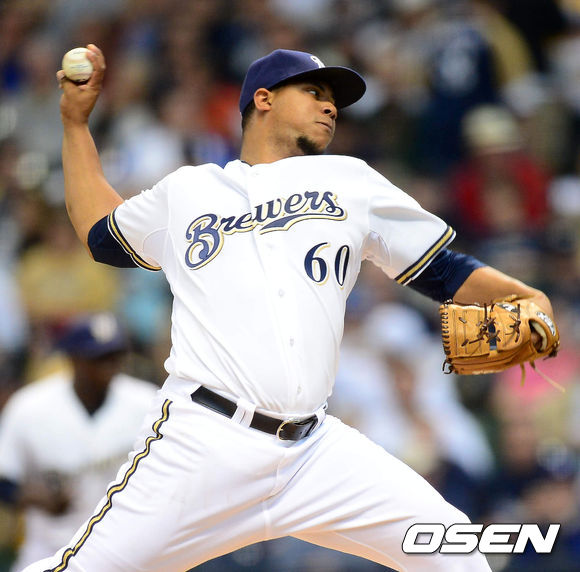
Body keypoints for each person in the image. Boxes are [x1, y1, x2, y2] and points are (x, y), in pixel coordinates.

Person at [24, 44, 558, 572]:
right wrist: (75, 124)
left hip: (313, 451)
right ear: (264, 99)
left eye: (334, 101)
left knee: (455, 552)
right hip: (204, 442)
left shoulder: (350, 182)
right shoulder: (189, 190)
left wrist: (523, 296)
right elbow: (100, 234)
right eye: (314, 92)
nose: (330, 107)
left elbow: (441, 270)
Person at [0, 312, 158, 571]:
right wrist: (32, 496)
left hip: (128, 550)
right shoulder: (30, 406)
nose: (109, 365)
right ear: (72, 358)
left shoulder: (148, 402)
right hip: (49, 549)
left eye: (115, 355)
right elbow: (4, 479)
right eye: (98, 358)